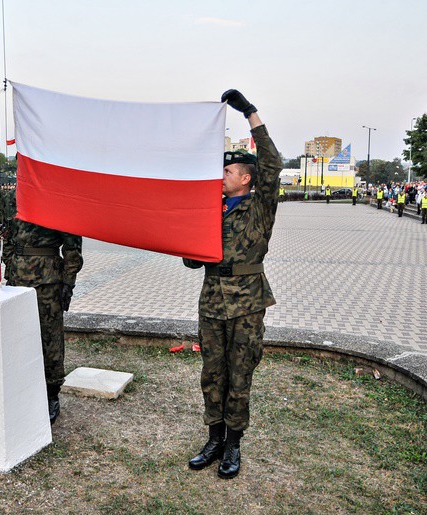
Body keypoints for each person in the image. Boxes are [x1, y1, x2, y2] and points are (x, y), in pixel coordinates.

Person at [183, 89, 282, 480]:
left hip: (247, 303)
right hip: (212, 299)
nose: (221, 177)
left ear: (245, 178)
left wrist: (250, 114)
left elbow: (272, 164)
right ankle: (214, 439)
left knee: (240, 375)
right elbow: (192, 259)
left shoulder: (260, 207)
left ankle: (233, 444)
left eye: (227, 172)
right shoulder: (209, 210)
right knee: (212, 373)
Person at [1, 181, 83, 425]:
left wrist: (67, 282)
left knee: (49, 337)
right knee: (19, 335)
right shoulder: (13, 198)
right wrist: (9, 265)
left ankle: (51, 393)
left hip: (47, 281)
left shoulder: (58, 199)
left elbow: (72, 248)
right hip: (16, 279)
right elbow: (8, 235)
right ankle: (24, 387)